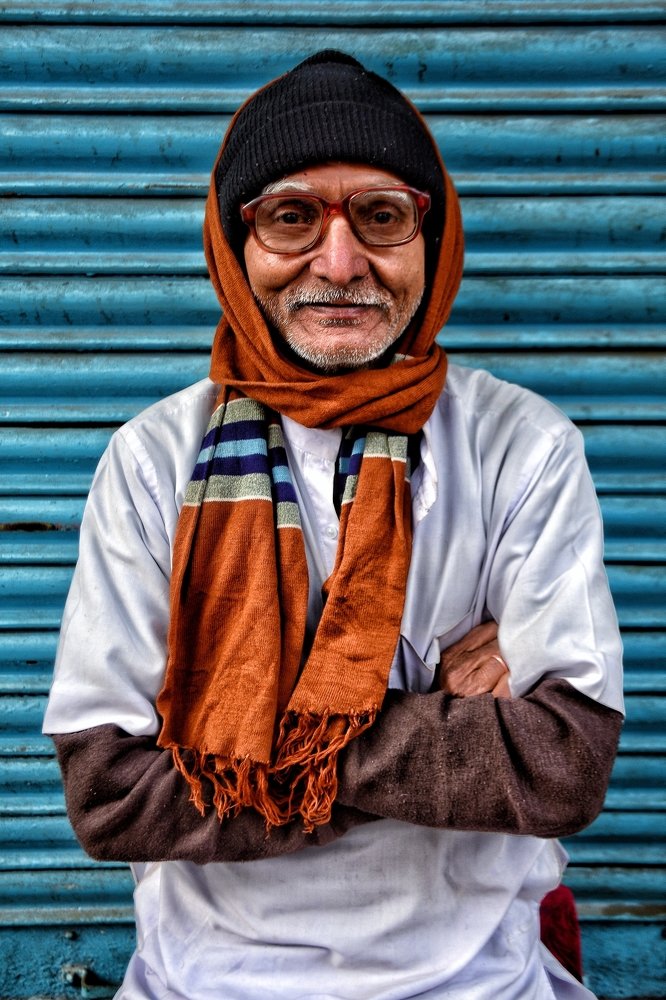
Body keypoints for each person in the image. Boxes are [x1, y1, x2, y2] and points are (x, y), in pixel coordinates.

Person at [43, 51, 624, 1000]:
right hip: (206, 983)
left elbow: (560, 767)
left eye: (383, 216)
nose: (341, 261)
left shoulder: (521, 447)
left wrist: (227, 724)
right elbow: (111, 797)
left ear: (431, 244)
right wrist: (441, 725)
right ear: (238, 246)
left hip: (479, 983)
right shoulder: (154, 461)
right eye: (291, 216)